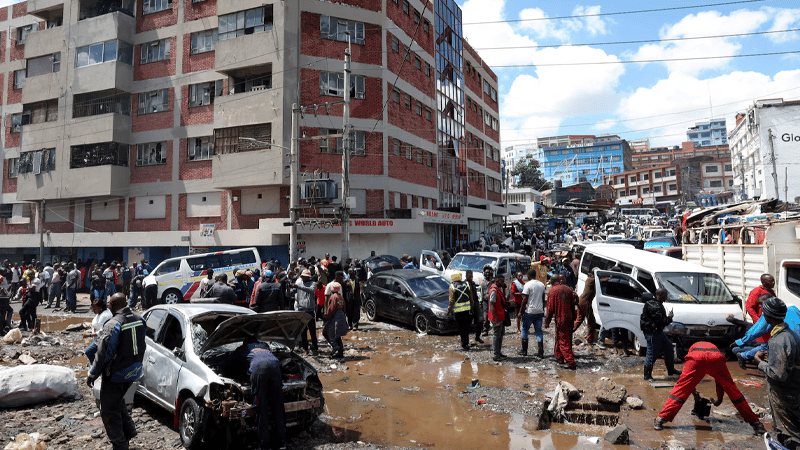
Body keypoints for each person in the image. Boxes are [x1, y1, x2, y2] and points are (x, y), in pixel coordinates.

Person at [653, 341, 765, 435]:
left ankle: (660, 420)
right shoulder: (712, 347)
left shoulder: (693, 349)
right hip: (715, 358)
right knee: (733, 391)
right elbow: (720, 381)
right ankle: (757, 425)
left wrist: (695, 394)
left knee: (680, 390)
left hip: (696, 358)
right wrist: (719, 400)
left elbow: (688, 384)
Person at [87, 294, 146, 450]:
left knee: (108, 410)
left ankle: (120, 445)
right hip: (135, 370)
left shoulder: (113, 324)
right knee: (117, 401)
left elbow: (104, 353)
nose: (108, 306)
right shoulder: (139, 319)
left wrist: (93, 373)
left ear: (114, 305)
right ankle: (128, 432)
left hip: (117, 373)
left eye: (109, 303)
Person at [754, 297, 800, 449]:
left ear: (767, 316)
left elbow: (778, 374)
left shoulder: (779, 340)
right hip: (794, 389)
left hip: (783, 393)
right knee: (792, 426)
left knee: (789, 431)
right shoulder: (790, 334)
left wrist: (760, 363)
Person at [228, 339, 287, 450]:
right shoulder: (264, 344)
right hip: (275, 365)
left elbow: (231, 361)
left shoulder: (244, 348)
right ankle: (282, 442)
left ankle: (264, 445)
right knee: (278, 406)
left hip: (259, 368)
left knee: (261, 408)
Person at [640, 288, 682, 382]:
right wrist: (670, 317)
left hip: (656, 331)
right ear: (661, 295)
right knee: (652, 353)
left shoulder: (651, 302)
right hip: (652, 333)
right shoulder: (657, 307)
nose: (667, 297)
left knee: (669, 347)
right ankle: (647, 376)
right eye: (666, 295)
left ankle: (671, 369)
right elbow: (663, 322)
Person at [544, 275, 576, 369]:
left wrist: (547, 321)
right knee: (560, 337)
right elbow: (573, 304)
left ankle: (570, 362)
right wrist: (574, 318)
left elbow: (550, 308)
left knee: (563, 340)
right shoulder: (568, 289)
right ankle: (559, 357)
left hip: (561, 319)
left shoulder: (553, 291)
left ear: (552, 281)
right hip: (569, 317)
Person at [518, 268, 545, 357]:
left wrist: (520, 311)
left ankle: (524, 350)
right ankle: (540, 352)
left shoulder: (527, 285)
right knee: (538, 331)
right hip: (539, 311)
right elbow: (543, 299)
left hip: (529, 311)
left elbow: (525, 299)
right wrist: (542, 310)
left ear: (528, 276)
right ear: (535, 275)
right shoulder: (541, 284)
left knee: (524, 329)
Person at [447, 273, 475, 351]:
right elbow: (471, 298)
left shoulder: (452, 286)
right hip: (467, 309)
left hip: (458, 311)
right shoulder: (466, 284)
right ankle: (466, 342)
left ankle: (464, 345)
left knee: (461, 328)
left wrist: (449, 311)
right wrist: (472, 309)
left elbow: (452, 300)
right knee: (466, 326)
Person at [294, 269, 318, 355]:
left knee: (312, 331)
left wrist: (298, 287)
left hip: (310, 310)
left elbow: (311, 290)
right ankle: (305, 349)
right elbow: (292, 293)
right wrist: (290, 288)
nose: (303, 278)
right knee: (303, 331)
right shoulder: (299, 284)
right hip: (301, 309)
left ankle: (315, 348)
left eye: (305, 277)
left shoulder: (313, 284)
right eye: (302, 276)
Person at [84, 298, 113, 364]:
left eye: (95, 309)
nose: (93, 311)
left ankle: (95, 366)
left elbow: (102, 331)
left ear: (100, 307)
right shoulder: (102, 312)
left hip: (102, 341)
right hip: (98, 339)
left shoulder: (104, 316)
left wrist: (89, 335)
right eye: (93, 309)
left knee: (88, 352)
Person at [323, 284, 348, 358]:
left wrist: (327, 316)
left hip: (335, 315)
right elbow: (344, 307)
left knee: (325, 332)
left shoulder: (333, 297)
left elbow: (332, 308)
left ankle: (334, 345)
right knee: (337, 334)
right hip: (341, 315)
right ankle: (340, 352)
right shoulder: (340, 296)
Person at [573, 272, 597, 344]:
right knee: (591, 321)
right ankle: (589, 340)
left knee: (579, 319)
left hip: (581, 301)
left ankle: (568, 332)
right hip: (585, 302)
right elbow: (600, 280)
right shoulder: (591, 280)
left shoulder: (589, 279)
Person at [488, 273, 507, 361]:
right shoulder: (494, 291)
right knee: (496, 336)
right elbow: (492, 306)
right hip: (496, 318)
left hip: (500, 316)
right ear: (497, 281)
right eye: (502, 281)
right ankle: (496, 355)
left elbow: (503, 300)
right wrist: (496, 321)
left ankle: (499, 352)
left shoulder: (498, 289)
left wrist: (504, 289)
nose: (503, 283)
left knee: (500, 335)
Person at [464, 270, 483, 344]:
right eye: (469, 276)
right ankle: (466, 341)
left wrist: (478, 304)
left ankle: (477, 337)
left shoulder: (473, 283)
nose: (471, 277)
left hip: (475, 304)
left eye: (472, 276)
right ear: (466, 276)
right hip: (468, 306)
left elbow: (475, 294)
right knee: (467, 324)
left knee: (480, 321)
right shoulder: (464, 284)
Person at [479, 266, 494, 337]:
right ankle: (485, 330)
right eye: (486, 273)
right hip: (485, 301)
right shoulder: (483, 283)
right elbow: (481, 293)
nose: (487, 274)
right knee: (485, 316)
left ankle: (497, 328)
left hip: (493, 301)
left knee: (493, 314)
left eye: (488, 272)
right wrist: (480, 302)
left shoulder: (493, 282)